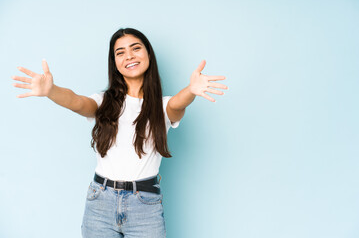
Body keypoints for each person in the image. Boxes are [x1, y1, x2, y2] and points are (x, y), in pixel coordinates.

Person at [11, 27, 228, 238]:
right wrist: (51, 91)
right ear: (114, 63)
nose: (129, 56)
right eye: (120, 52)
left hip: (145, 204)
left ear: (148, 54)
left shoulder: (162, 107)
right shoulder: (103, 102)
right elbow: (77, 101)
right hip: (100, 201)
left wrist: (191, 91)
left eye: (136, 48)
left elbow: (177, 104)